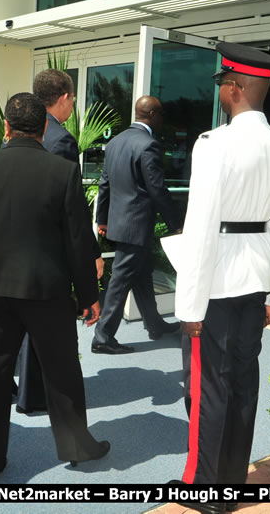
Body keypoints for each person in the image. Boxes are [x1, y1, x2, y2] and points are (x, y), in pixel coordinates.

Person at [161, 42, 270, 514]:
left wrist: (189, 307)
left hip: (217, 282)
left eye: (223, 86)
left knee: (207, 388)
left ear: (236, 88)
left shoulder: (214, 143)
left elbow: (201, 227)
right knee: (242, 383)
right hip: (256, 277)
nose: (220, 93)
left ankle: (204, 488)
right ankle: (232, 484)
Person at [0, 92, 110, 481]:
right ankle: (77, 447)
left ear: (6, 127)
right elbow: (77, 240)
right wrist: (89, 298)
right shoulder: (62, 172)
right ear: (44, 128)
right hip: (46, 289)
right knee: (61, 373)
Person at [12, 68, 104, 413]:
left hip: (20, 242)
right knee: (50, 327)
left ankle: (27, 390)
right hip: (51, 247)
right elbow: (73, 208)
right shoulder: (61, 140)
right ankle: (44, 394)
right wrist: (90, 254)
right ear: (64, 98)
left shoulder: (18, 133)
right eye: (73, 100)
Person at [92, 95, 183, 354]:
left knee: (142, 275)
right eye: (162, 114)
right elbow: (157, 189)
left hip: (121, 224)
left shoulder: (115, 142)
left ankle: (154, 324)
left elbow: (104, 184)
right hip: (136, 226)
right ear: (153, 115)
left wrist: (102, 219)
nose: (162, 119)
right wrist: (176, 223)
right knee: (120, 282)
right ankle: (103, 337)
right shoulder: (148, 145)